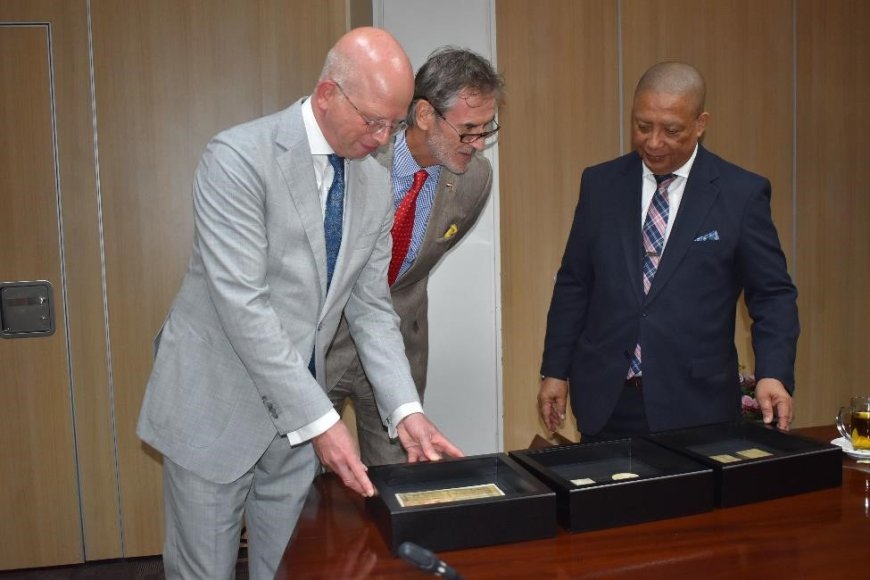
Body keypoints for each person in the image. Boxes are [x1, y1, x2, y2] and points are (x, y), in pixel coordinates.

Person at [136, 27, 462, 580]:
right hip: (215, 406)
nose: (384, 139)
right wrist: (321, 421)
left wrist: (406, 409)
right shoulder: (237, 158)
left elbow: (370, 308)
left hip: (297, 419)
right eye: (373, 121)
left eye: (394, 123)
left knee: (286, 567)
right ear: (328, 94)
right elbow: (243, 304)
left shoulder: (374, 185)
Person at [537, 61, 799, 441]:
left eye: (671, 130)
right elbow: (575, 283)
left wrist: (773, 372)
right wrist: (555, 370)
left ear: (700, 124)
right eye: (643, 126)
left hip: (697, 404)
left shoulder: (740, 194)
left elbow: (772, 294)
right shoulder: (601, 184)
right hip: (607, 400)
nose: (653, 142)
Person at [326, 46, 504, 465]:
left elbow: (423, 259)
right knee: (303, 486)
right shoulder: (360, 159)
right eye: (468, 130)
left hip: (400, 349)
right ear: (424, 115)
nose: (478, 144)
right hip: (325, 344)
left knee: (399, 485)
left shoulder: (474, 179)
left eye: (487, 129)